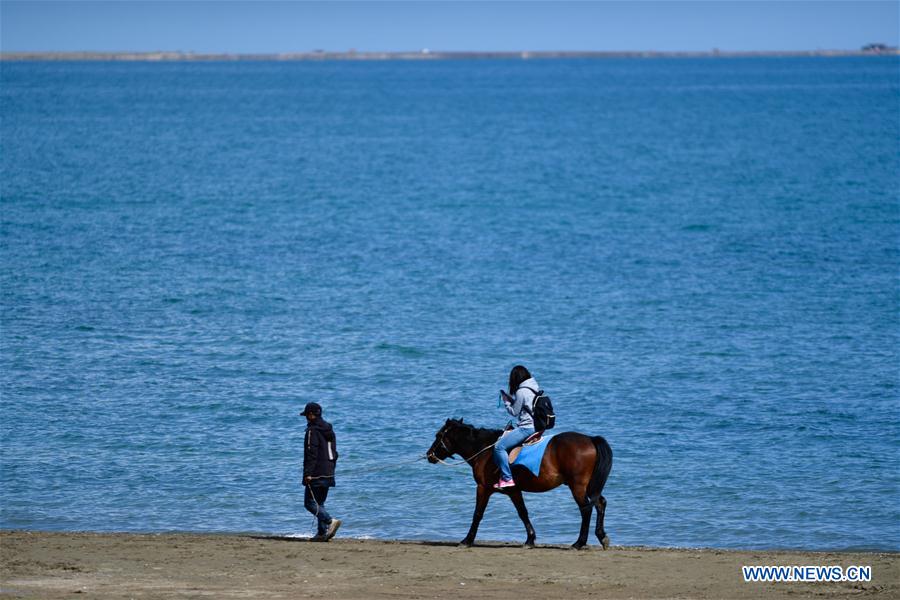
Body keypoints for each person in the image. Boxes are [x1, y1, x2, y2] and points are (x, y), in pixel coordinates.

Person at [492, 365, 539, 490]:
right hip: (537, 425)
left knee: (499, 447)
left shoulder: (521, 391)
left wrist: (506, 401)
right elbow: (525, 406)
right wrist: (512, 400)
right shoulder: (534, 388)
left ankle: (507, 478)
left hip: (526, 428)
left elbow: (514, 412)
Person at [300, 402, 341, 541]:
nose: (306, 418)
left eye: (307, 415)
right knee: (320, 503)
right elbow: (334, 452)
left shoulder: (312, 431)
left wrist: (307, 473)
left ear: (311, 415)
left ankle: (330, 521)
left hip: (316, 472)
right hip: (329, 470)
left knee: (309, 503)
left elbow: (311, 453)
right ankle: (322, 533)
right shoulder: (329, 429)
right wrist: (331, 468)